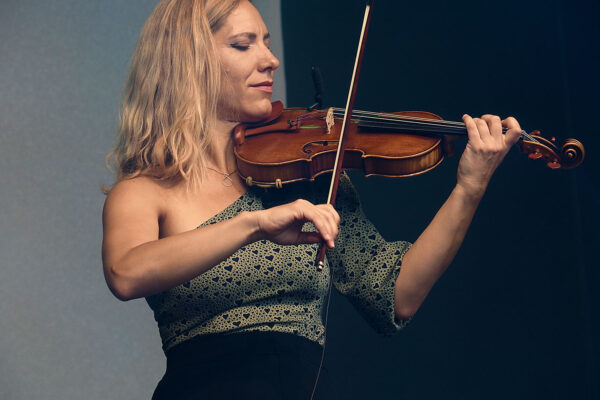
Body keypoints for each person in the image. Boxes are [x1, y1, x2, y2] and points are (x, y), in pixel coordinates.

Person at [102, 0, 522, 398]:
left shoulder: (307, 180)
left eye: (267, 41)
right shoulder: (144, 190)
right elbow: (125, 272)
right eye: (243, 44)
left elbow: (396, 295)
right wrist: (253, 224)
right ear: (188, 63)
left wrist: (469, 187)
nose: (270, 59)